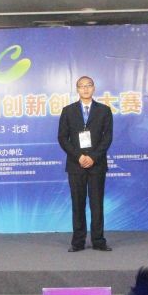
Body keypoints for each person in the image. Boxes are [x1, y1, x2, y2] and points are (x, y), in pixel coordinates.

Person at [58, 75, 113, 252]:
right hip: (76, 165)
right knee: (78, 204)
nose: (85, 89)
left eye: (89, 85)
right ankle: (78, 242)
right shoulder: (68, 111)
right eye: (82, 86)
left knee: (97, 204)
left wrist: (93, 157)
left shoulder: (104, 110)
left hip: (97, 165)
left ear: (94, 88)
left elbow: (107, 138)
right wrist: (79, 157)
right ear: (77, 89)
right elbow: (62, 138)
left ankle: (98, 241)